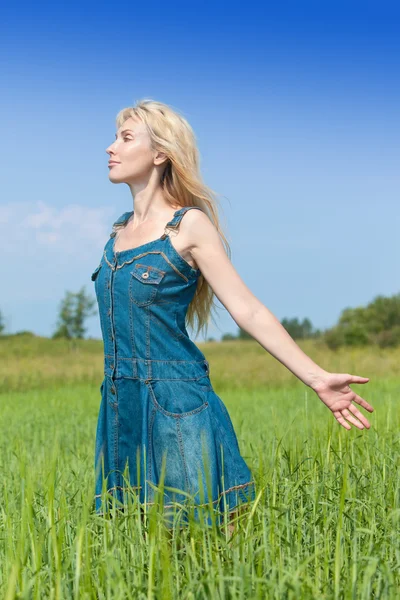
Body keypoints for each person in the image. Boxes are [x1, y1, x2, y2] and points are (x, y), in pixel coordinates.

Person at [92, 99, 374, 532]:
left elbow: (247, 309)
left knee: (192, 535)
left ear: (160, 153)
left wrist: (317, 378)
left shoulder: (188, 226)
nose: (110, 147)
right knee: (127, 536)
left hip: (174, 402)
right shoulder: (118, 231)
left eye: (125, 138)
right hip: (118, 402)